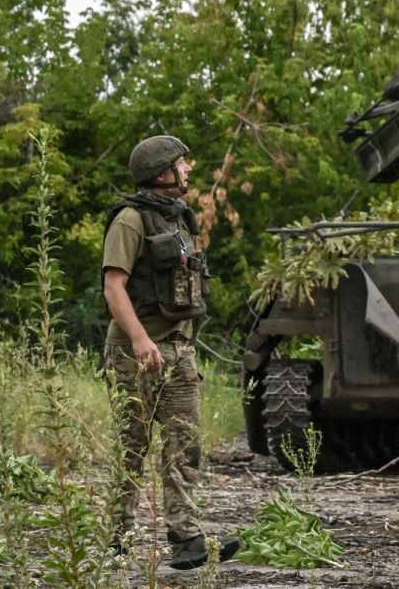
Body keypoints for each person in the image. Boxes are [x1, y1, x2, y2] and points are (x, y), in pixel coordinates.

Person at [102, 135, 239, 570]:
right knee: (133, 447)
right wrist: (141, 340)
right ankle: (117, 540)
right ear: (162, 172)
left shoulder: (179, 219)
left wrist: (181, 343)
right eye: (182, 163)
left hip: (179, 350)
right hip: (135, 351)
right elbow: (113, 287)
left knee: (184, 445)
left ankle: (186, 539)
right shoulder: (130, 220)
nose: (189, 169)